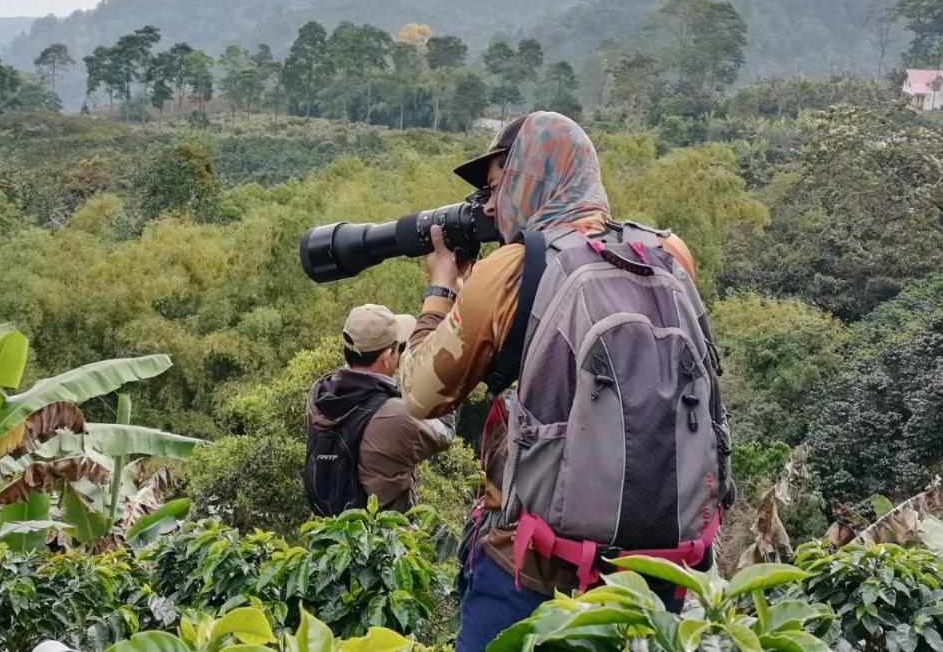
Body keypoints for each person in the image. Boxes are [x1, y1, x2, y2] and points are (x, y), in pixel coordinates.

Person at [400, 111, 732, 652]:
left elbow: (418, 394)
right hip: (663, 573)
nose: (487, 205)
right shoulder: (669, 253)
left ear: (529, 176)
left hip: (532, 573)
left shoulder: (509, 269)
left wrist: (442, 290)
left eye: (494, 185)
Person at [304, 303, 456, 514]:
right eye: (399, 347)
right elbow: (445, 431)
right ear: (386, 358)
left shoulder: (320, 393)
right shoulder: (395, 414)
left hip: (331, 530)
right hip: (382, 538)